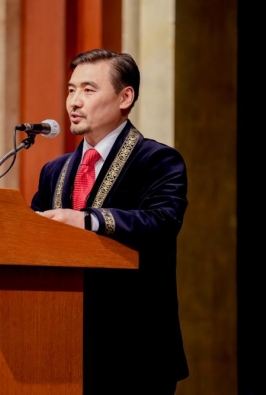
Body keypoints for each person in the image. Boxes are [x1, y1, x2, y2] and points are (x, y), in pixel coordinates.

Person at [31, 49, 189, 394]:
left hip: (134, 348)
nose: (74, 101)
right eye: (71, 90)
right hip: (61, 343)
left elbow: (162, 221)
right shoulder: (54, 171)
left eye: (88, 90)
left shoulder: (157, 160)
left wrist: (88, 220)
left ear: (124, 96)